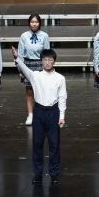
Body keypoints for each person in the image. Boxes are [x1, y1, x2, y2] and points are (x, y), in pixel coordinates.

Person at [16, 49, 67, 185]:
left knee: (54, 144)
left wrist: (62, 116)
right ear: (41, 61)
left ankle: (54, 173)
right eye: (45, 60)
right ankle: (37, 173)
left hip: (53, 112)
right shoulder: (36, 76)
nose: (47, 62)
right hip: (39, 111)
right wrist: (17, 58)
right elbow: (24, 69)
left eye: (50, 60)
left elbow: (62, 97)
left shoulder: (60, 78)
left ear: (54, 62)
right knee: (37, 144)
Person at [16, 14, 51, 127]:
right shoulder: (24, 36)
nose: (34, 24)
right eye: (32, 22)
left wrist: (47, 68)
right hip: (28, 64)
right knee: (29, 91)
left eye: (36, 22)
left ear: (39, 23)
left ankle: (42, 115)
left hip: (40, 64)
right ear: (29, 23)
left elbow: (47, 53)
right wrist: (20, 69)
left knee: (41, 91)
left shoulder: (44, 36)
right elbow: (20, 54)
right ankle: (30, 115)